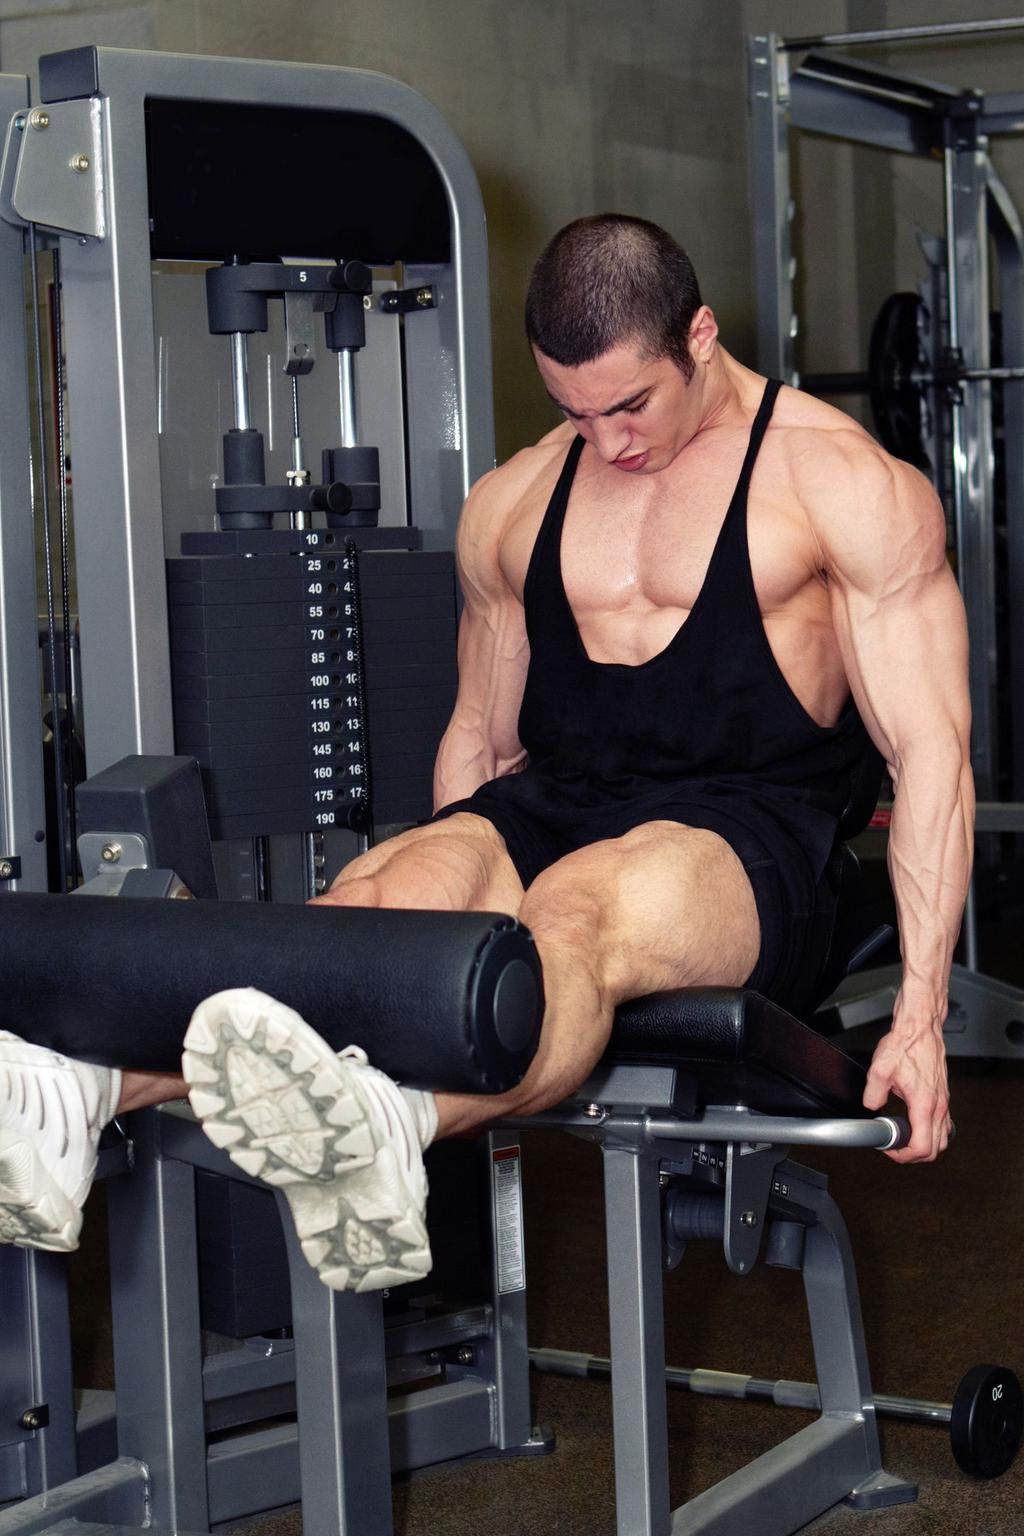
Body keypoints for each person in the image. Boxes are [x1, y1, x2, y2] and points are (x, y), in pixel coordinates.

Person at [0, 215, 971, 1292]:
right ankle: (73, 1092)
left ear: (698, 336)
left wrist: (922, 1015)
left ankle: (390, 1127)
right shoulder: (514, 502)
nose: (608, 443)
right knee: (367, 907)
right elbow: (477, 738)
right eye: (574, 411)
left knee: (576, 911)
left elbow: (929, 755)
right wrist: (432, 920)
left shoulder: (842, 485)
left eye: (630, 404)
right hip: (555, 798)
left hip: (749, 832)